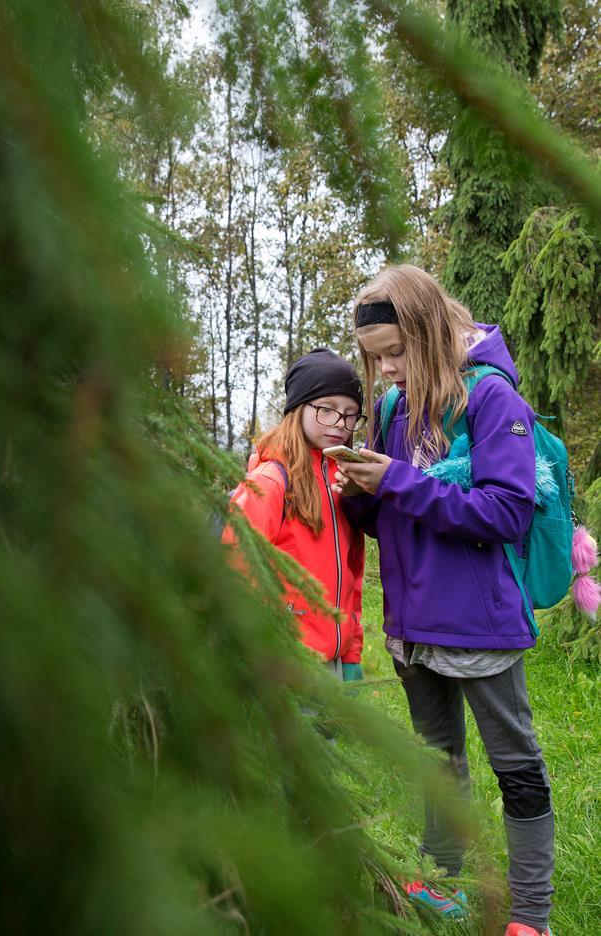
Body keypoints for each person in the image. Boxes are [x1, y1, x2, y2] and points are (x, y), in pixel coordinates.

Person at [333, 265, 554, 936]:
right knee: (437, 762)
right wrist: (360, 496)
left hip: (479, 625)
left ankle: (531, 915)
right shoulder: (391, 410)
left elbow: (506, 512)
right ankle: (443, 884)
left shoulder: (490, 400)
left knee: (514, 764)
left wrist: (397, 482)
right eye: (377, 360)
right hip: (410, 626)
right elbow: (392, 518)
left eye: (397, 354)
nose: (389, 370)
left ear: (429, 330)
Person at [223, 349, 366, 681]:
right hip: (282, 663)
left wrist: (351, 653)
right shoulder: (270, 482)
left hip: (330, 664)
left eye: (350, 415)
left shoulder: (344, 482)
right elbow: (238, 568)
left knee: (326, 737)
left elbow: (353, 574)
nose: (340, 424)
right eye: (327, 410)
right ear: (298, 408)